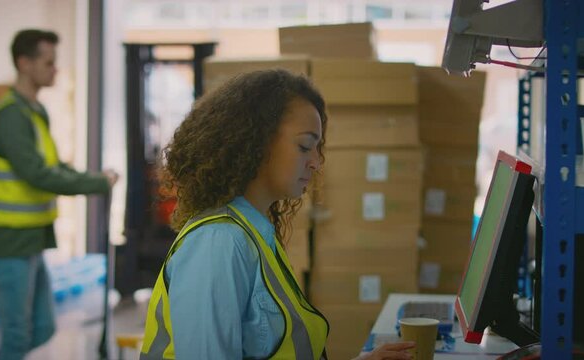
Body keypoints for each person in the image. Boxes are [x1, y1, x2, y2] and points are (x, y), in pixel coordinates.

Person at [140, 69, 414, 359]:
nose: (316, 163)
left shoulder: (255, 235)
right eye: (305, 146)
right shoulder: (218, 242)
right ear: (255, 142)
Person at [0, 29, 118, 360]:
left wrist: (95, 177)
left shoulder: (33, 111)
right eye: (49, 62)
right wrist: (98, 185)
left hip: (30, 239)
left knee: (43, 328)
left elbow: (54, 166)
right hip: (8, 242)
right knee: (16, 337)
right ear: (24, 63)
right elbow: (38, 175)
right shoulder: (11, 116)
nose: (55, 69)